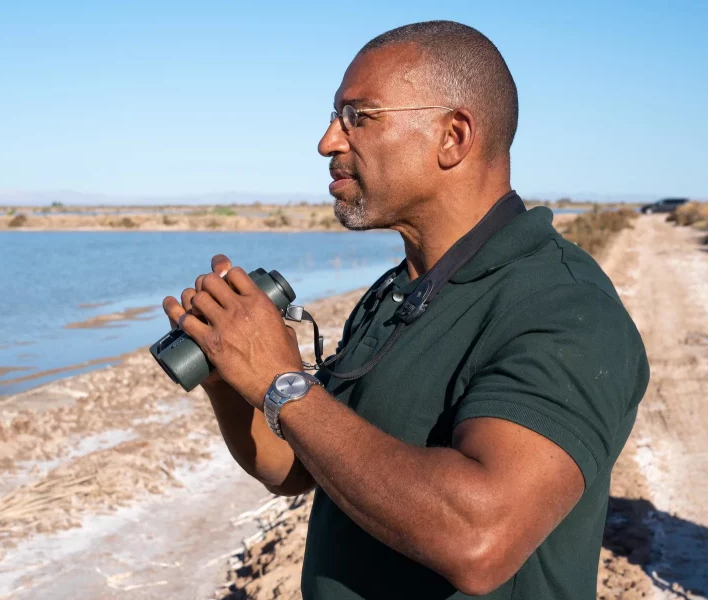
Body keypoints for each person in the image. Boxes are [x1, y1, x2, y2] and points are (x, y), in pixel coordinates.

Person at [161, 20, 649, 600]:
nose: (328, 142)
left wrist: (282, 380)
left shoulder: (567, 309)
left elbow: (480, 539)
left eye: (358, 117)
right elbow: (295, 466)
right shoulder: (400, 289)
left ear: (454, 136)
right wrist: (230, 371)